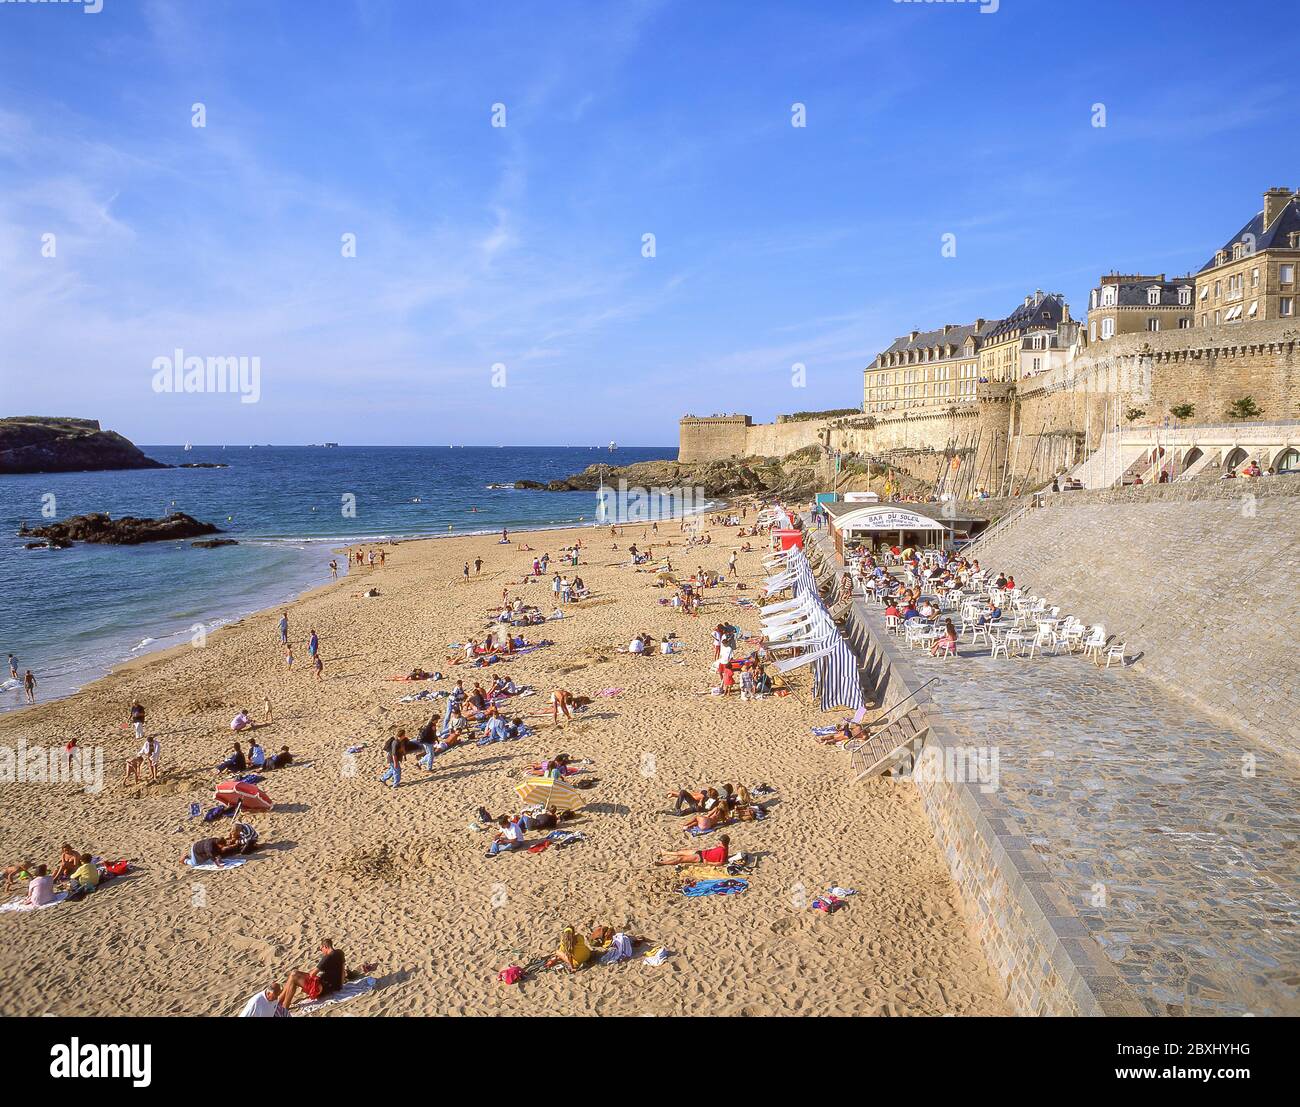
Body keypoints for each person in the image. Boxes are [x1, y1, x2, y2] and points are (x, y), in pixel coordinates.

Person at [278, 940, 346, 1008]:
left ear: (325, 947)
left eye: (321, 949)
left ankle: (284, 1006)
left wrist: (308, 973)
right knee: (293, 975)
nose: (322, 951)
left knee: (293, 975)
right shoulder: (340, 953)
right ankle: (279, 1001)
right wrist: (340, 985)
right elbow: (343, 970)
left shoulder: (327, 958)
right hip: (333, 987)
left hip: (322, 989)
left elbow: (312, 974)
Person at [654, 835, 731, 867]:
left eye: (720, 842)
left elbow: (721, 863)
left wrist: (708, 863)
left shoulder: (723, 851)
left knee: (680, 859)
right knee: (681, 852)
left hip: (700, 858)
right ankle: (665, 853)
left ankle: (662, 863)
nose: (718, 843)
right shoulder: (723, 847)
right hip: (701, 852)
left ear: (723, 843)